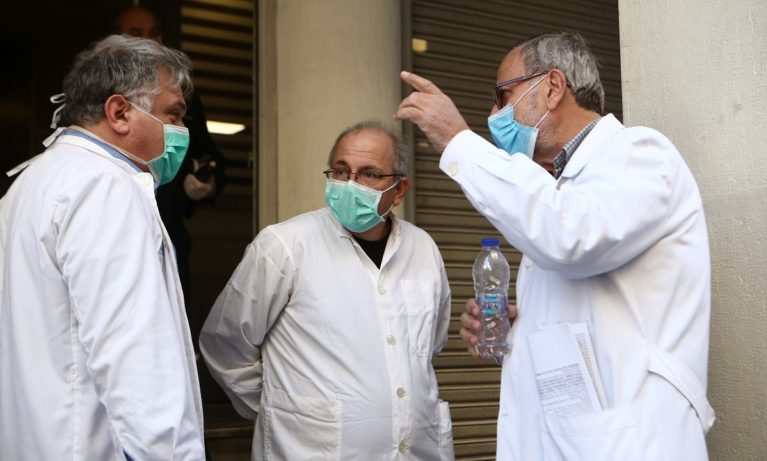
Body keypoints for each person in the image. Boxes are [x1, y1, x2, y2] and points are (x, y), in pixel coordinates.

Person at [396, 32, 714, 460]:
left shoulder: (640, 154)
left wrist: (458, 140)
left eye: (502, 95)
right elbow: (581, 324)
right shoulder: (558, 190)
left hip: (633, 441)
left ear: (552, 87)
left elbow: (572, 237)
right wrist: (508, 334)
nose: (493, 115)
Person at [0, 35, 205, 460]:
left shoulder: (32, 182)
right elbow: (135, 359)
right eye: (174, 114)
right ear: (120, 112)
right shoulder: (106, 187)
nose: (182, 131)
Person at [199, 121, 455, 460]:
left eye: (369, 174)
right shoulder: (284, 246)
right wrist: (282, 407)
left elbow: (429, 345)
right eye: (341, 171)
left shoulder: (423, 248)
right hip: (308, 449)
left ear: (399, 190)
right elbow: (226, 343)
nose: (350, 185)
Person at [117, 5, 227, 311]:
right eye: (136, 34)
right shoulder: (97, 92)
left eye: (154, 33)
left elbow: (206, 153)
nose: (148, 41)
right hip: (117, 232)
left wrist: (204, 184)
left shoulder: (181, 95)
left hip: (168, 228)